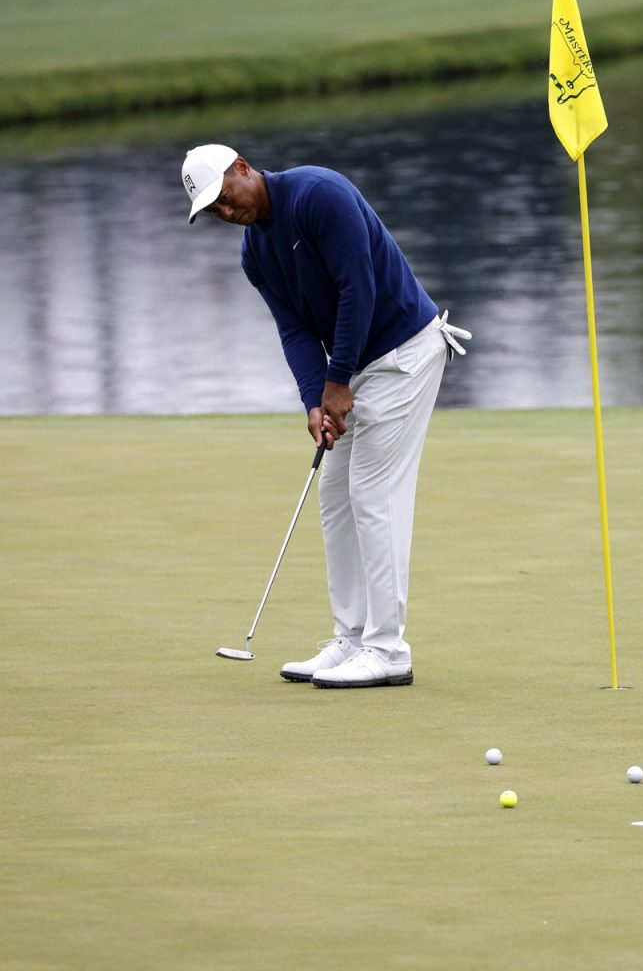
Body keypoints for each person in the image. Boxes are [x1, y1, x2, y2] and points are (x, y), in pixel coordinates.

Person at [182, 144, 469, 688]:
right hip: (354, 365)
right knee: (334, 494)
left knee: (372, 492)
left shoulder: (319, 194)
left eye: (225, 196)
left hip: (405, 351)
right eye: (213, 210)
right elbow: (293, 331)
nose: (226, 211)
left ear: (243, 168)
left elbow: (356, 287)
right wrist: (316, 399)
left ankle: (388, 650)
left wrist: (337, 381)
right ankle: (352, 638)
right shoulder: (254, 254)